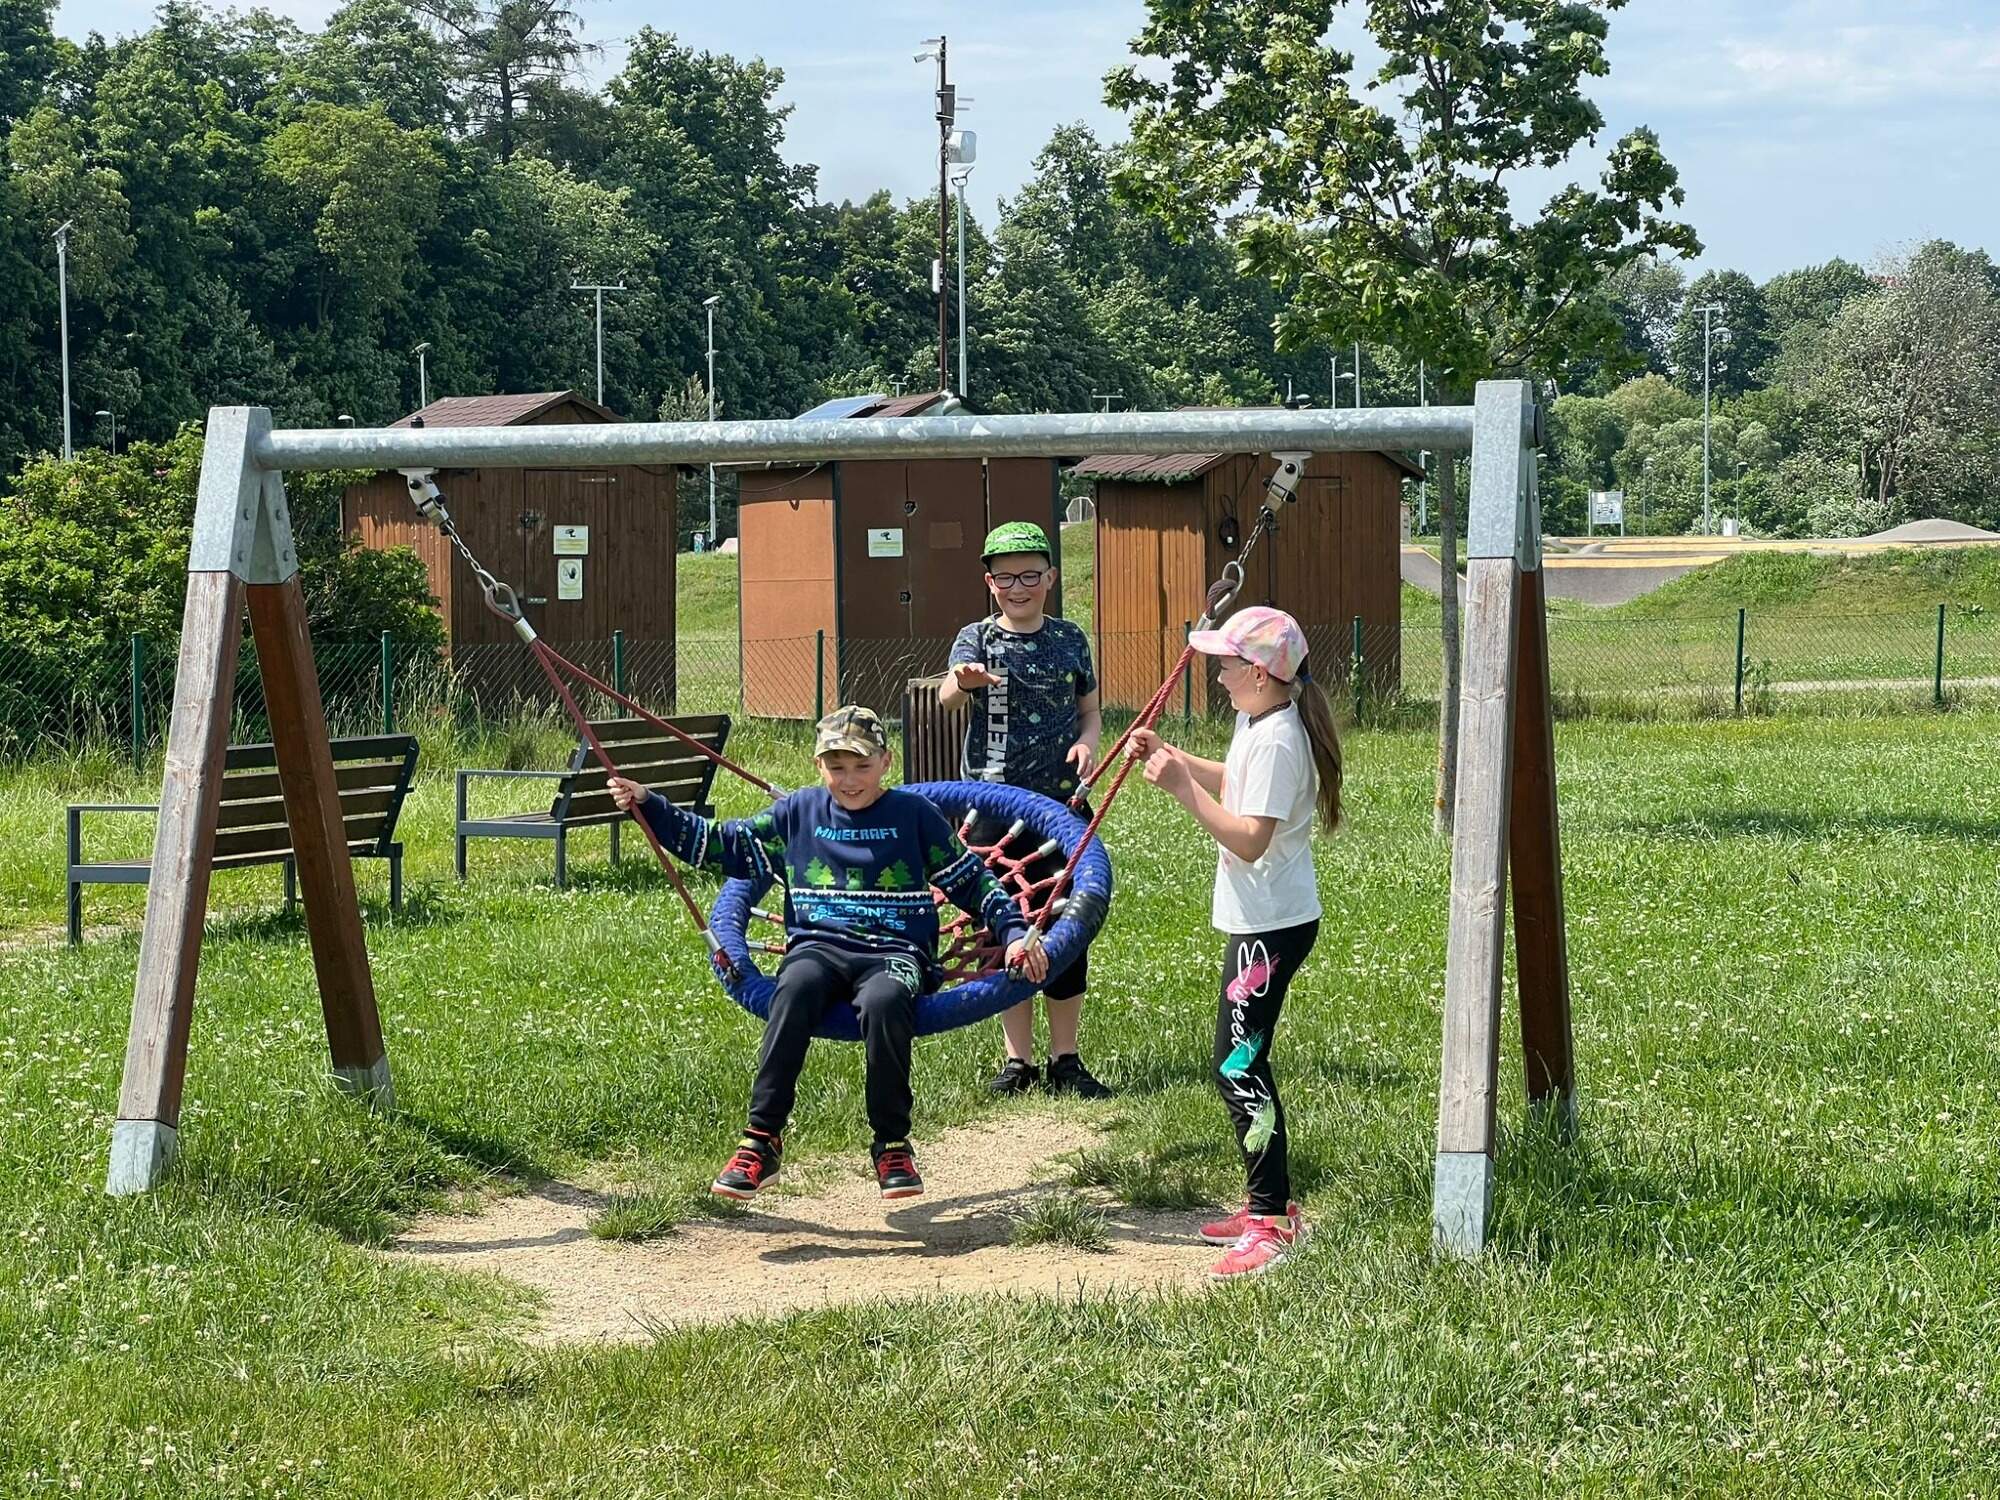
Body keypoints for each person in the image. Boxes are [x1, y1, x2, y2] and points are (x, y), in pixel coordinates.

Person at [608, 706, 1047, 1202]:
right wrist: (650, 804)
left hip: (895, 950)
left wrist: (1014, 932)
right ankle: (761, 1141)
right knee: (793, 988)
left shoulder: (914, 816)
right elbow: (721, 845)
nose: (849, 780)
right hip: (819, 946)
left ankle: (891, 1143)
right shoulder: (798, 812)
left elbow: (973, 882)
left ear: (886, 762)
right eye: (836, 767)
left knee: (885, 1000)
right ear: (818, 766)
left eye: (862, 765)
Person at [1129, 607, 1343, 1279]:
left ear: (1257, 673)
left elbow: (1250, 839)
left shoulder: (1280, 739)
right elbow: (1236, 778)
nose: (1218, 678)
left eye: (1225, 666)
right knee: (1237, 1062)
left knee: (1237, 1067)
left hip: (1270, 927)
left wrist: (1179, 789)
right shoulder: (1261, 721)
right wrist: (1174, 756)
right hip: (1259, 924)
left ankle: (1272, 1220)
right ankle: (1265, 1205)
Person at [940, 520, 1111, 1099]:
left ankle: (1066, 1057)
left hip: (1061, 807)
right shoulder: (976, 638)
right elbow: (947, 695)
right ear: (990, 583)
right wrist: (964, 682)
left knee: (1066, 924)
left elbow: (1090, 710)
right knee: (1002, 924)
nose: (1019, 587)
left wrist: (1088, 743)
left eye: (1030, 576)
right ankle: (1018, 1060)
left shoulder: (1070, 639)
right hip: (991, 809)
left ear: (1050, 578)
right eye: (1006, 578)